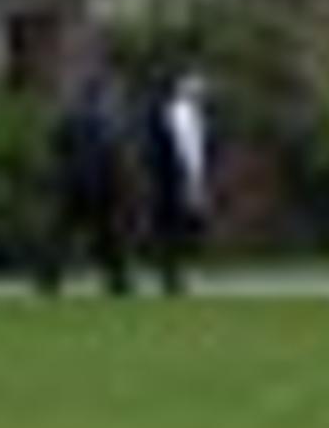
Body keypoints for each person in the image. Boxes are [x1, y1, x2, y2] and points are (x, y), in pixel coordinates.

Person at [39, 57, 133, 297]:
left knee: (62, 233)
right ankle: (116, 281)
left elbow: (56, 146)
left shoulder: (70, 116)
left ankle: (50, 278)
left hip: (71, 182)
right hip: (98, 184)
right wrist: (119, 185)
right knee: (106, 234)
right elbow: (113, 155)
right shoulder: (107, 121)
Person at [141, 61, 211, 293]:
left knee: (169, 227)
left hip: (167, 176)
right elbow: (189, 150)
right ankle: (170, 276)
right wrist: (194, 181)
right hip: (174, 176)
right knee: (172, 227)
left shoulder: (173, 112)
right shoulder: (182, 114)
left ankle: (169, 273)